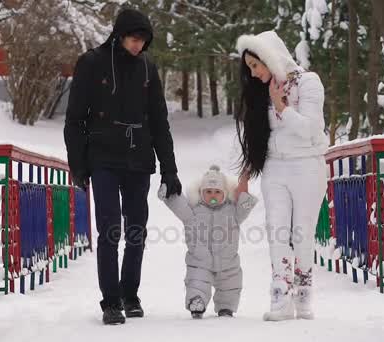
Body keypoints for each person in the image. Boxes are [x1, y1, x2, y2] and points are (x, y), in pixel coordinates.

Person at [64, 8, 182, 325]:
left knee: (136, 231)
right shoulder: (92, 63)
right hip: (102, 158)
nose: (137, 46)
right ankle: (111, 300)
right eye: (133, 38)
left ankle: (130, 294)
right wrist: (78, 164)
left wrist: (169, 169)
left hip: (138, 159)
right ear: (119, 34)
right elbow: (74, 120)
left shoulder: (147, 68)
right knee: (109, 229)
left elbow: (160, 122)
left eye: (143, 41)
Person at [235, 31, 328, 321]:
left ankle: (303, 298)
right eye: (249, 67)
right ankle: (279, 298)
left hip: (307, 166)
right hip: (275, 168)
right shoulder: (262, 90)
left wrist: (281, 106)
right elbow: (259, 138)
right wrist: (245, 174)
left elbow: (311, 129)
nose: (254, 72)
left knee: (301, 234)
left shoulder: (309, 82)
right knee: (277, 232)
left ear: (271, 57)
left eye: (256, 65)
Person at [158, 165, 257, 319]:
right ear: (201, 192)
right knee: (197, 281)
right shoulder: (193, 211)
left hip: (228, 261)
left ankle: (226, 306)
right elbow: (179, 205)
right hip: (200, 260)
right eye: (208, 191)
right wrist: (168, 195)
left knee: (230, 285)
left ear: (225, 193)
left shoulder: (233, 212)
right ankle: (197, 302)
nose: (213, 195)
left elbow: (245, 206)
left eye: (217, 192)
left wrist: (243, 185)